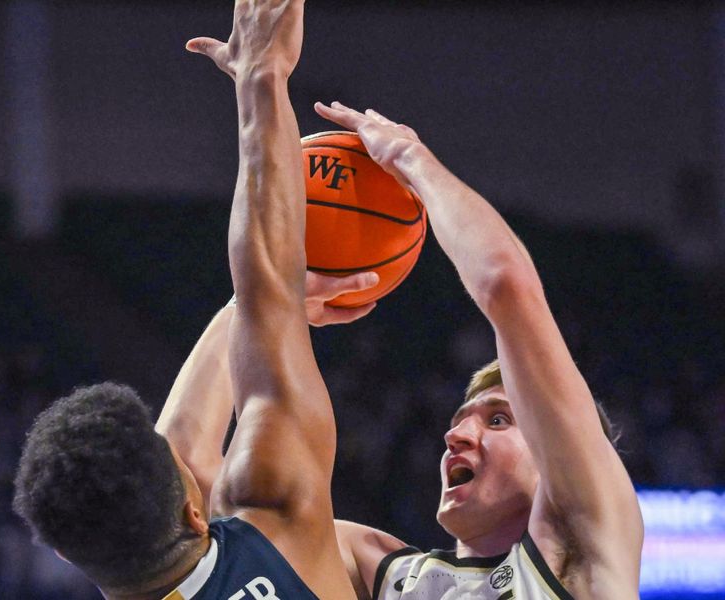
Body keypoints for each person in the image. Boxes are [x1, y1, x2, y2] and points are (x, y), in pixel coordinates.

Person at [169, 101, 644, 599]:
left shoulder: (588, 555)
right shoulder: (381, 571)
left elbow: (506, 286)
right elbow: (189, 490)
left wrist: (410, 158)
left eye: (497, 420)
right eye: (463, 417)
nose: (455, 433)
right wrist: (250, 302)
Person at [12, 1, 365, 598]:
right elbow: (267, 286)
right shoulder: (276, 513)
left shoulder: (242, 521)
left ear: (67, 555)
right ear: (195, 514)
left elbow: (182, 449)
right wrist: (263, 75)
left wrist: (246, 310)